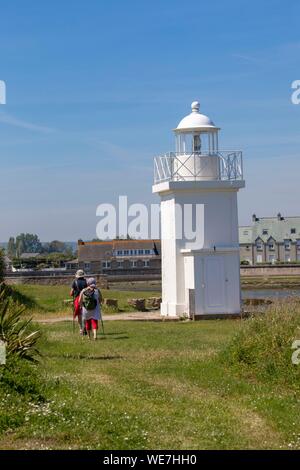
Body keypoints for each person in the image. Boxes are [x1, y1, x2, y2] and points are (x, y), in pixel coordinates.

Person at [70, 269, 87, 335]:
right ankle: (85, 328)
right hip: (85, 299)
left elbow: (71, 293)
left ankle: (81, 329)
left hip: (77, 299)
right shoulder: (86, 281)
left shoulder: (75, 282)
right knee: (85, 314)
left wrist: (74, 292)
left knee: (79, 315)